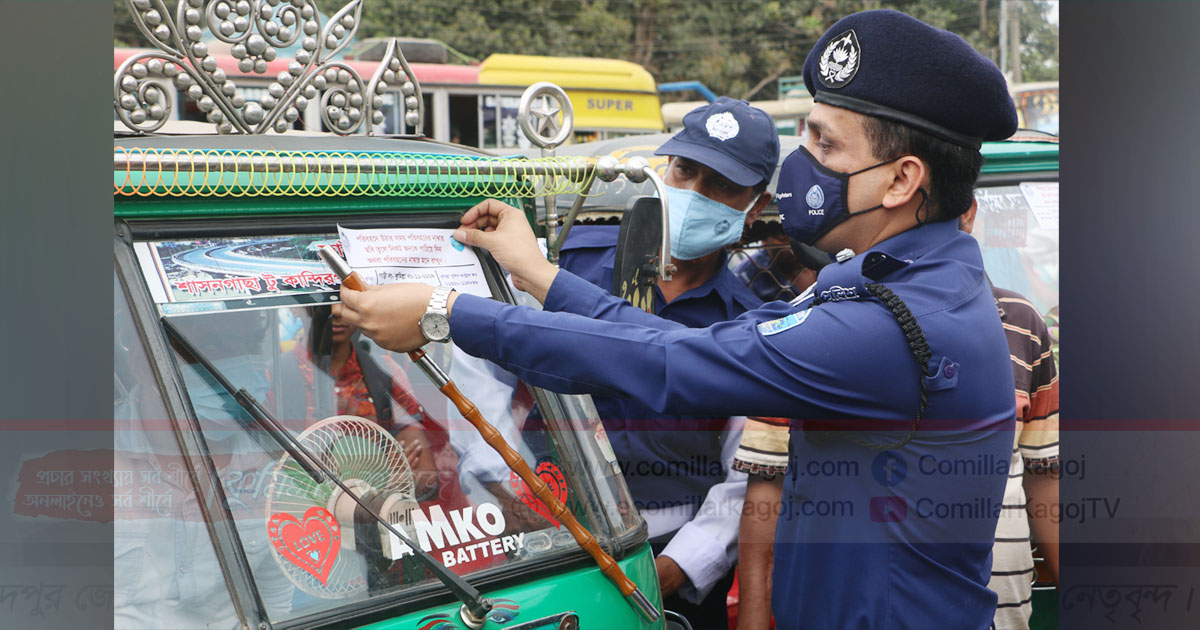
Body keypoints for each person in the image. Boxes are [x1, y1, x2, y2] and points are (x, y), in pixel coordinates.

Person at [336, 9, 1019, 628]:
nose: (803, 166)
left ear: (901, 181)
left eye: (826, 146)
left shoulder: (895, 325)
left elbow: (674, 365)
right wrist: (540, 275)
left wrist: (447, 313)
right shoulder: (895, 286)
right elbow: (675, 342)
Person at [554, 97, 778, 625]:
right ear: (663, 169)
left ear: (754, 205)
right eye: (686, 170)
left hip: (670, 561)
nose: (694, 193)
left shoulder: (750, 324)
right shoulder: (571, 269)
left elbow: (744, 476)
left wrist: (677, 565)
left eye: (722, 185)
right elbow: (494, 383)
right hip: (550, 545)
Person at [960, 203, 1061, 629]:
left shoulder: (1022, 322)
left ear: (967, 214)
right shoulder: (831, 321)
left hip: (1005, 608)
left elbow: (1043, 476)